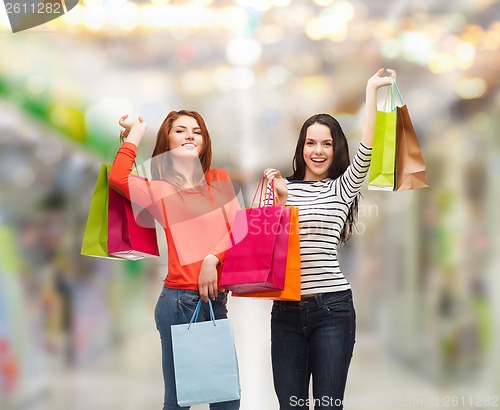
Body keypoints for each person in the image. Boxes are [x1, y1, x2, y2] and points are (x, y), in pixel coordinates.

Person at [263, 68, 397, 409]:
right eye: (311, 143)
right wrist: (276, 199)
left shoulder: (342, 187)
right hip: (286, 311)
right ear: (301, 146)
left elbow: (367, 147)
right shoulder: (283, 187)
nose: (318, 151)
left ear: (336, 148)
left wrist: (372, 91)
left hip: (333, 309)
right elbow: (267, 244)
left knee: (327, 405)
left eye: (327, 143)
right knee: (291, 406)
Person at [108, 110, 241, 410]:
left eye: (197, 130)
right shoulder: (161, 190)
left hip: (216, 302)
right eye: (180, 130)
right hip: (179, 303)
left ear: (205, 142)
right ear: (167, 143)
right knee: (180, 402)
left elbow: (239, 230)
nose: (190, 135)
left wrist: (212, 258)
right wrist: (136, 131)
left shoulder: (219, 179)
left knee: (227, 400)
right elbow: (118, 177)